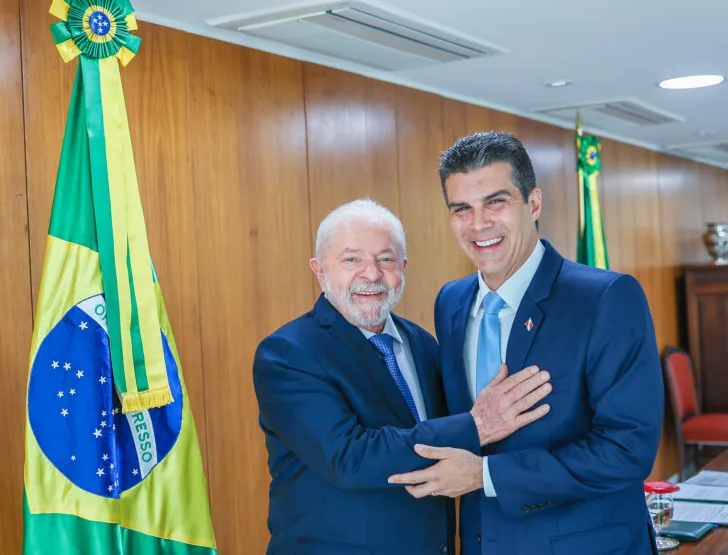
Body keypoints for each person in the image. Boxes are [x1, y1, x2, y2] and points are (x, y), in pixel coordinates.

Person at [388, 132, 664, 554]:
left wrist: (487, 475)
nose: (478, 224)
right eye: (461, 208)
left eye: (496, 202)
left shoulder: (606, 298)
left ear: (533, 204)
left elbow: (627, 449)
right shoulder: (451, 302)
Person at [252, 198, 552, 555]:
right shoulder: (287, 353)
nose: (372, 274)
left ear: (403, 267)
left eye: (386, 259)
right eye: (351, 259)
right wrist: (478, 425)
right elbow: (349, 457)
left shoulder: (425, 345)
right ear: (319, 270)